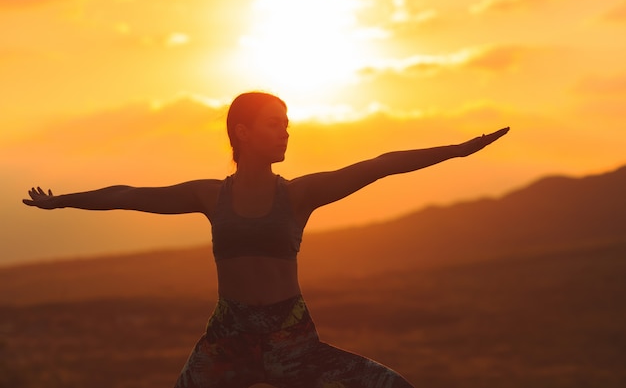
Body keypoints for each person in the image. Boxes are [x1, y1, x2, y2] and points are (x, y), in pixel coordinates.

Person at [23, 92, 509, 388]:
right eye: (274, 124)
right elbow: (128, 195)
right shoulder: (209, 196)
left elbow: (380, 164)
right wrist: (61, 201)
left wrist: (458, 151)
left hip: (292, 341)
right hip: (226, 341)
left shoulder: (301, 195)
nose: (286, 132)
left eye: (287, 123)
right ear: (243, 131)